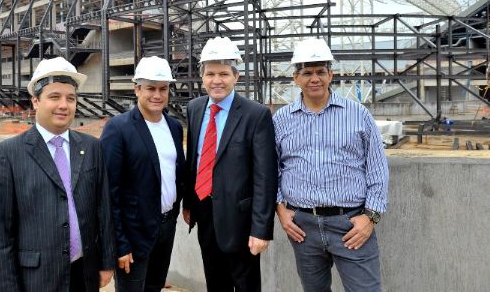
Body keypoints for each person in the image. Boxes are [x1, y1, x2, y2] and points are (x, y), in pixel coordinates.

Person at [0, 56, 116, 291]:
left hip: (84, 273)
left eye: (70, 98)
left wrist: (106, 262)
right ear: (35, 101)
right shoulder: (7, 154)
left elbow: (102, 209)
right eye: (54, 97)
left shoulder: (91, 147)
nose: (64, 105)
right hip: (36, 280)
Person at [273, 38, 389, 292]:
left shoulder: (358, 114)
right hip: (303, 226)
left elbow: (378, 169)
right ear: (296, 78)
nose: (314, 78)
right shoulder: (281, 119)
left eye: (320, 72)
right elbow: (272, 169)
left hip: (350, 224)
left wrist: (370, 218)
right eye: (307, 73)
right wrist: (281, 211)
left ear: (331, 75)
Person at [182, 37, 278, 291]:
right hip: (204, 212)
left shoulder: (255, 115)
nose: (217, 80)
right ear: (202, 77)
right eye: (210, 73)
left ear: (236, 76)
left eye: (224, 73)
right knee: (215, 283)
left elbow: (265, 177)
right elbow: (195, 159)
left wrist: (261, 229)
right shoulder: (194, 108)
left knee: (245, 285)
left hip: (241, 221)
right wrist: (189, 203)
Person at [100, 56, 185, 292]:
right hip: (133, 234)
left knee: (154, 287)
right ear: (137, 89)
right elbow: (109, 192)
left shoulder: (174, 127)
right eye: (150, 88)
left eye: (163, 89)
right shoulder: (118, 129)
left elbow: (177, 175)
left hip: (166, 227)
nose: (157, 95)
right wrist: (120, 244)